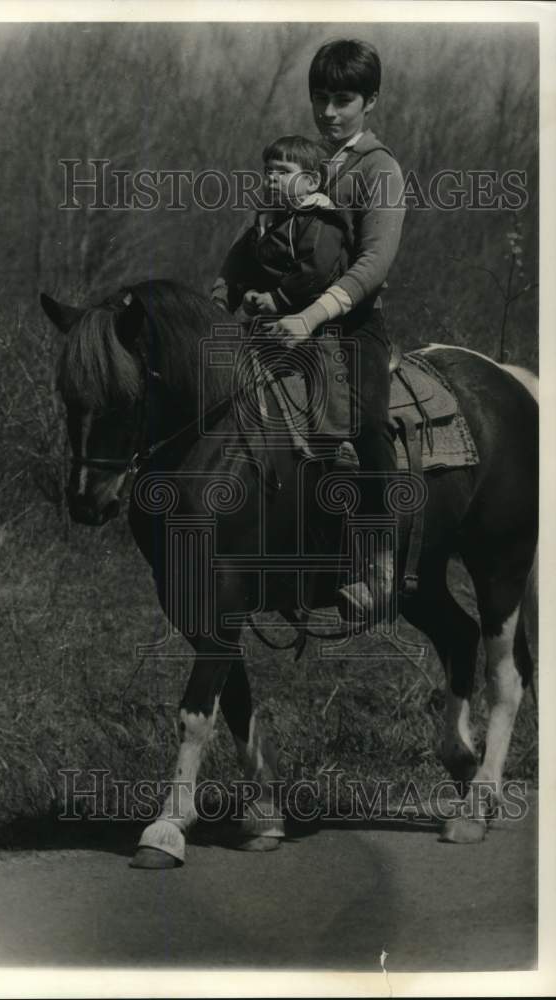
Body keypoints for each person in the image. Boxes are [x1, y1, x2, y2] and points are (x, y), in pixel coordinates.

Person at [219, 38, 406, 625]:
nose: (328, 112)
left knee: (367, 425)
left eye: (343, 100)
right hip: (282, 323)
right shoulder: (303, 164)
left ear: (370, 101)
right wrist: (221, 299)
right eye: (320, 98)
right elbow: (250, 244)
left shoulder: (379, 169)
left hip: (352, 326)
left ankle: (380, 565)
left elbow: (373, 263)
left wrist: (308, 315)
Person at [211, 134, 352, 319]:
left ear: (312, 182)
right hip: (272, 315)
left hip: (315, 319)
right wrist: (247, 293)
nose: (272, 178)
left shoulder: (319, 219)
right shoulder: (265, 219)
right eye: (268, 171)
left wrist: (279, 298)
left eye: (284, 172)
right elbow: (243, 265)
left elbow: (316, 272)